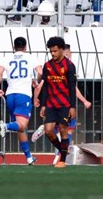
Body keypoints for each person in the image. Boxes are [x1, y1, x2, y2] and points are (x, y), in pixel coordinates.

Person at [0, 36, 40, 165]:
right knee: (22, 125)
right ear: (26, 47)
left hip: (10, 95)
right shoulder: (31, 57)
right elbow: (40, 71)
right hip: (23, 95)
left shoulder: (7, 58)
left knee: (20, 128)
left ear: (14, 47)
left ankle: (28, 157)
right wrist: (36, 81)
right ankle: (6, 126)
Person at [37, 36, 77, 168]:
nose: (53, 54)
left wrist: (72, 106)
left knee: (63, 129)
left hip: (65, 104)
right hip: (51, 104)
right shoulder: (47, 66)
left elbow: (72, 88)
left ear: (61, 50)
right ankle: (63, 150)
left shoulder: (69, 66)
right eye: (51, 51)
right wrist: (43, 104)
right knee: (48, 131)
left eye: (55, 51)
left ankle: (62, 161)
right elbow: (46, 87)